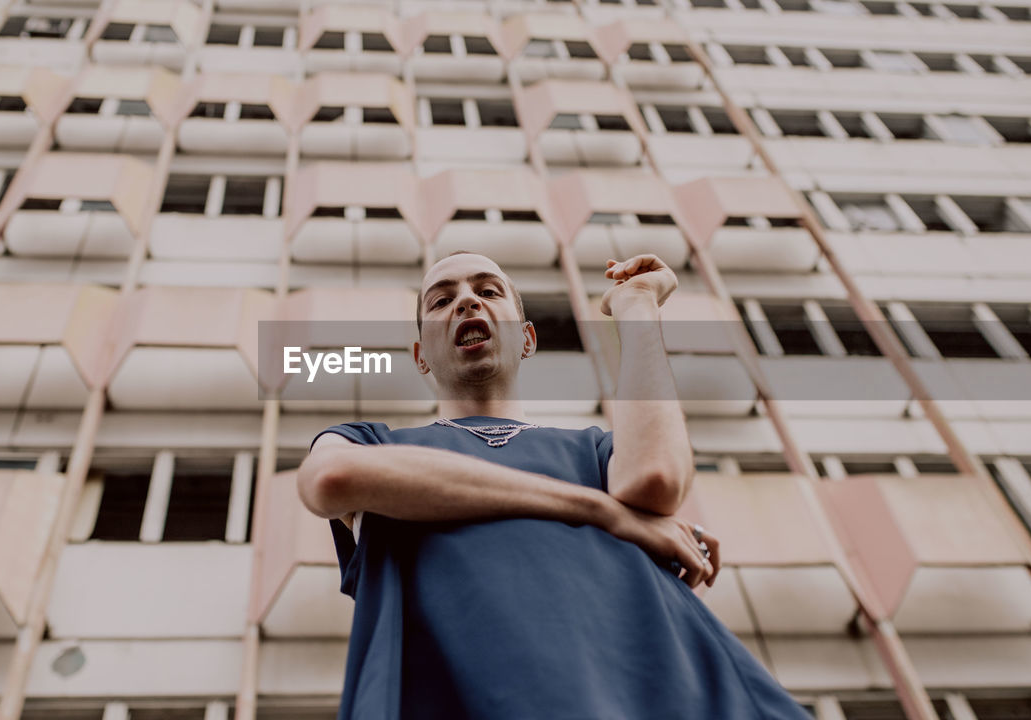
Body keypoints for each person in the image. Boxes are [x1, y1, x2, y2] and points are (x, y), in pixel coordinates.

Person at [297, 251, 812, 719]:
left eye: (489, 291)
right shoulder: (370, 441)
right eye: (442, 300)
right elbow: (331, 477)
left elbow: (658, 479)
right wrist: (599, 511)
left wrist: (636, 308)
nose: (467, 301)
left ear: (527, 339)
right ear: (420, 357)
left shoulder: (595, 451)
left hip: (660, 693)